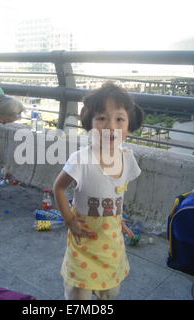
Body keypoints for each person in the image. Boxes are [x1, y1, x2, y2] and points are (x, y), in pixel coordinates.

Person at [53, 82, 144, 300]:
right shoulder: (81, 160)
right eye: (102, 118)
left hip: (111, 243)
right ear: (89, 125)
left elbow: (116, 192)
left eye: (119, 119)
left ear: (129, 128)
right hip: (83, 242)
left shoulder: (127, 158)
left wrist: (118, 219)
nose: (111, 126)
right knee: (79, 296)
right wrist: (69, 220)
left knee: (110, 292)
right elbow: (58, 188)